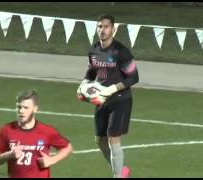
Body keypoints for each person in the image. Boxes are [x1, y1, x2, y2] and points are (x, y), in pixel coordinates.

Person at [77, 14, 139, 178]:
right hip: (102, 100)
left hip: (121, 100)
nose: (103, 30)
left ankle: (118, 175)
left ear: (113, 29)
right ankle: (122, 170)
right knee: (100, 140)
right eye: (100, 26)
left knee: (113, 139)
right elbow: (91, 72)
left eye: (106, 26)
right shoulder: (94, 50)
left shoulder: (121, 51)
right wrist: (83, 84)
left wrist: (111, 89)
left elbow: (133, 77)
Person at [0, 90, 73, 178]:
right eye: (19, 107)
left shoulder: (46, 131)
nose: (21, 111)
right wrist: (9, 155)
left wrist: (52, 160)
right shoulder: (6, 130)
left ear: (35, 109)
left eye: (26, 108)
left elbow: (68, 147)